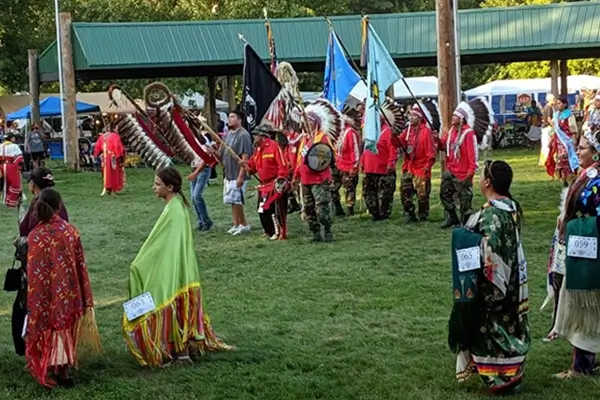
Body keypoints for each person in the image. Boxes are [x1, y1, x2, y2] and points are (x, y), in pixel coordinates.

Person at [123, 167, 230, 367]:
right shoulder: (176, 205)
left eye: (157, 184)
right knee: (176, 307)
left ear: (169, 187)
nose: (153, 187)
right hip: (181, 269)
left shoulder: (174, 211)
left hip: (175, 270)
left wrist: (141, 263)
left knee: (171, 303)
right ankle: (183, 348)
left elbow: (164, 245)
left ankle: (182, 353)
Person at [448, 160, 530, 394]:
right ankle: (509, 372)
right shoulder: (511, 207)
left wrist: (465, 238)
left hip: (495, 284)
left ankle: (500, 378)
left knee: (492, 326)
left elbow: (489, 249)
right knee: (508, 323)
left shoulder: (492, 214)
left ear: (487, 182)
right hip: (513, 277)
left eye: (481, 175)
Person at [25, 188, 101, 388]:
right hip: (65, 291)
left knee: (48, 324)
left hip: (42, 293)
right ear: (59, 207)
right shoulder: (69, 231)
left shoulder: (34, 236)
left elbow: (33, 271)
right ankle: (64, 370)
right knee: (63, 325)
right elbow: (79, 264)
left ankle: (50, 365)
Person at [543, 129, 600, 379]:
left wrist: (571, 222)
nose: (578, 151)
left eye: (584, 147)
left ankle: (581, 367)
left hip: (588, 251)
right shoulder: (588, 175)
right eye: (578, 146)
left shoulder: (595, 179)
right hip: (584, 247)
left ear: (596, 152)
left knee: (584, 305)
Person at [9, 168, 70, 358]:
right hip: (57, 270)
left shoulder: (40, 205)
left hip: (37, 271)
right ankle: (57, 357)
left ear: (33, 185)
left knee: (31, 311)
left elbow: (31, 237)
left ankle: (39, 352)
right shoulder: (55, 202)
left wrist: (19, 241)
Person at [293, 111, 335, 242]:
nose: (307, 124)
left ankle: (327, 230)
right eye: (305, 121)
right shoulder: (304, 139)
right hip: (306, 180)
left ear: (315, 123)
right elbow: (300, 160)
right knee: (309, 208)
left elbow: (327, 157)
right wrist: (296, 176)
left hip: (319, 180)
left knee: (322, 207)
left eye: (309, 121)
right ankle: (315, 233)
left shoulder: (322, 137)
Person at [244, 124, 289, 240]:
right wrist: (246, 165)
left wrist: (280, 181)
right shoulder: (257, 149)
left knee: (276, 210)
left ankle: (279, 232)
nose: (253, 137)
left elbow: (282, 165)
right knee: (262, 209)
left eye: (255, 135)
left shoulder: (274, 146)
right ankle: (268, 231)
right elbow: (253, 168)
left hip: (275, 183)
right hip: (264, 185)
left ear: (262, 136)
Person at [394, 104, 437, 223]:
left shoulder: (426, 131)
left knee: (422, 195)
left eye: (414, 115)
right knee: (405, 191)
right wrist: (393, 135)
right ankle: (410, 213)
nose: (411, 118)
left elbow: (431, 151)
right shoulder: (408, 131)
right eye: (410, 115)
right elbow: (398, 143)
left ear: (420, 118)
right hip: (409, 167)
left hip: (422, 167)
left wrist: (427, 166)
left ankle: (423, 216)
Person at [439, 107, 478, 228]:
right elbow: (442, 146)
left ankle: (465, 222)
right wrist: (436, 138)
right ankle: (453, 217)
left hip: (463, 172)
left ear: (461, 119)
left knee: (465, 200)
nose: (452, 118)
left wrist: (470, 173)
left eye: (455, 116)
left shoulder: (468, 133)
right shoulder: (451, 132)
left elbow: (473, 154)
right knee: (444, 193)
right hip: (451, 170)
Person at [220, 111, 253, 235]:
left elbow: (245, 157)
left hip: (238, 173)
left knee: (237, 199)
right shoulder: (227, 135)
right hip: (228, 173)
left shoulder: (243, 135)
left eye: (232, 117)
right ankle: (236, 224)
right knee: (232, 200)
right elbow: (221, 153)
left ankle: (244, 224)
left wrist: (241, 176)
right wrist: (212, 150)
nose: (229, 119)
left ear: (240, 120)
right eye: (229, 117)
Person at [361, 117, 399, 221]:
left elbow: (393, 148)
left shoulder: (387, 131)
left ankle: (384, 214)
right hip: (370, 167)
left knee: (384, 194)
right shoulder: (369, 131)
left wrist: (391, 163)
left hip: (383, 169)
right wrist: (362, 162)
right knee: (368, 192)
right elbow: (365, 148)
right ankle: (375, 213)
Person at [546, 96, 579, 186]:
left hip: (567, 141)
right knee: (559, 160)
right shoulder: (556, 114)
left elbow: (573, 128)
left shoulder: (569, 115)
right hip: (558, 141)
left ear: (565, 104)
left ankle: (570, 178)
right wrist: (551, 140)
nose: (558, 105)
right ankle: (563, 179)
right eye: (557, 103)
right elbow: (554, 127)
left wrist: (574, 140)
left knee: (568, 160)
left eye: (559, 103)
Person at [334, 116, 361, 216]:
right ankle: (338, 209)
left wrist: (354, 167)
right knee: (333, 187)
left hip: (349, 166)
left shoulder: (350, 132)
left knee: (349, 189)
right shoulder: (338, 133)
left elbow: (355, 151)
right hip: (338, 165)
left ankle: (350, 209)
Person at [188, 136, 214, 232]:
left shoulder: (202, 139)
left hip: (203, 169)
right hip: (194, 168)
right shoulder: (188, 140)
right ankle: (201, 221)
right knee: (193, 198)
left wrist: (196, 173)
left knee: (197, 196)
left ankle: (206, 221)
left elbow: (206, 158)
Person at [93, 126, 125, 196]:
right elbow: (117, 147)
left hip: (104, 158)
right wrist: (120, 156)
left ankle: (108, 188)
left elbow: (97, 147)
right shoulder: (115, 136)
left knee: (106, 173)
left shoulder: (102, 137)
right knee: (113, 174)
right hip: (112, 157)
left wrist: (96, 155)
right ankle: (112, 188)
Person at [0, 132, 24, 208]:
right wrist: (17, 166)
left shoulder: (0, 146)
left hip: (2, 166)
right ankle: (12, 202)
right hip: (12, 167)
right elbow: (19, 158)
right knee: (15, 184)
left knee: (5, 184)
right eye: (13, 137)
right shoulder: (14, 146)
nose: (14, 138)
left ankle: (6, 200)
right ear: (11, 138)